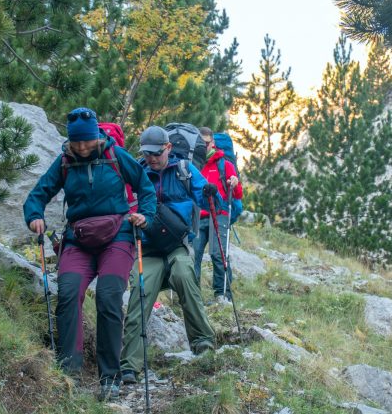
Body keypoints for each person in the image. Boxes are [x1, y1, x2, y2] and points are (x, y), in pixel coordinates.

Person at [23, 108, 156, 401]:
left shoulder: (115, 155)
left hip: (118, 236)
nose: (82, 148)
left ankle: (110, 376)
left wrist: (145, 215)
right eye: (76, 143)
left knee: (109, 296)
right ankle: (67, 371)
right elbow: (38, 194)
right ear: (70, 142)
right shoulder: (65, 162)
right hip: (78, 240)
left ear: (97, 136)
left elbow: (146, 187)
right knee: (68, 292)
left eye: (86, 142)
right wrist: (34, 216)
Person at [120, 126, 221, 384]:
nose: (152, 158)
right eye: (147, 153)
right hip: (148, 249)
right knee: (140, 293)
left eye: (156, 153)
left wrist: (211, 194)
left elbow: (211, 200)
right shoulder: (138, 174)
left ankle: (203, 343)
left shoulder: (184, 170)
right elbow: (123, 206)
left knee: (185, 275)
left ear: (167, 148)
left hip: (177, 245)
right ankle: (129, 364)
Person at [193, 127, 243, 303]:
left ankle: (223, 295)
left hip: (220, 214)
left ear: (212, 143)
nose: (204, 146)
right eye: (201, 143)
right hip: (198, 216)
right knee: (193, 256)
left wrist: (234, 183)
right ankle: (193, 296)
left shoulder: (224, 164)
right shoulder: (194, 165)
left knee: (217, 253)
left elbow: (238, 194)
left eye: (206, 143)